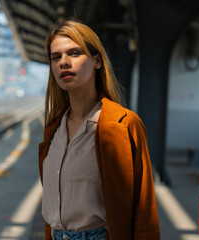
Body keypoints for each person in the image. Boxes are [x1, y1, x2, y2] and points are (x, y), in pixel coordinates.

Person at [38, 19, 160, 240]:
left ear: (97, 61)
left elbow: (144, 212)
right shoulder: (53, 130)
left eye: (74, 53)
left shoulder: (124, 124)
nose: (64, 62)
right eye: (56, 57)